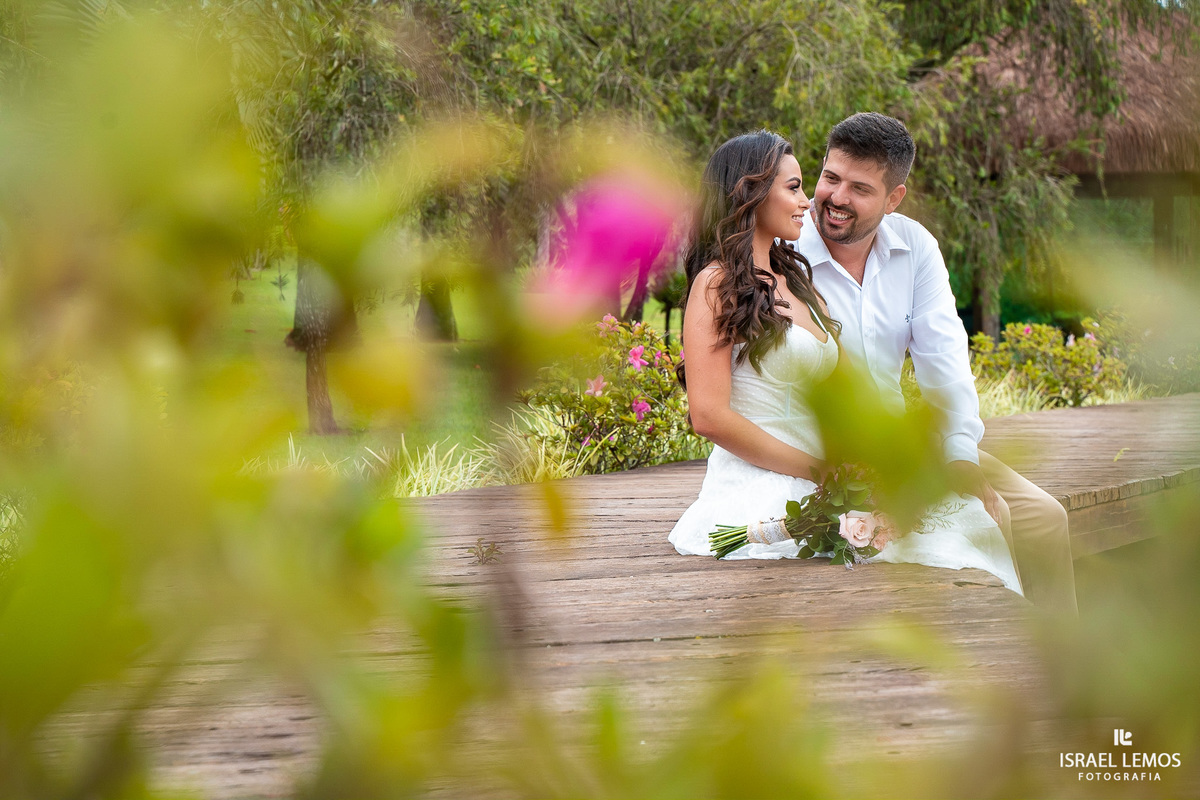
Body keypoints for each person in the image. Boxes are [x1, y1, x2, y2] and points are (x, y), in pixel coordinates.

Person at [669, 130, 1022, 596]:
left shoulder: (796, 279)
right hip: (769, 482)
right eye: (794, 187)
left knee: (967, 531)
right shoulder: (717, 284)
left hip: (830, 476)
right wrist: (822, 471)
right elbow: (708, 415)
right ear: (749, 192)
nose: (806, 203)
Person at [790, 112, 1077, 615]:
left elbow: (944, 362)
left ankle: (1065, 668)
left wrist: (960, 455)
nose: (835, 198)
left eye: (860, 188)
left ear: (894, 198)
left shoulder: (915, 247)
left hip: (903, 440)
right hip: (821, 452)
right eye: (830, 178)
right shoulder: (784, 250)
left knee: (1045, 517)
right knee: (985, 524)